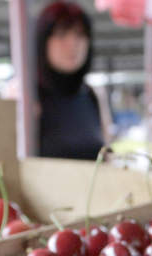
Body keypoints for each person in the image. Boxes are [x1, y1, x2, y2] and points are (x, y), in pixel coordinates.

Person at [34, 1, 107, 160]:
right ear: (43, 41)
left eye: (80, 35)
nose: (72, 44)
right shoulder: (25, 95)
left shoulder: (92, 95)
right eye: (61, 34)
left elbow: (107, 153)